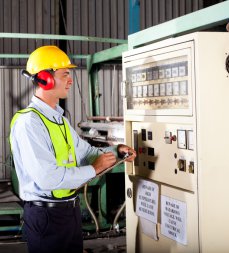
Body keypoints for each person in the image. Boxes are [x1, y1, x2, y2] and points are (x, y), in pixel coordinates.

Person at [9, 45, 136, 253]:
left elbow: (86, 152)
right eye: (65, 74)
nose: (70, 80)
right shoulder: (29, 123)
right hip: (46, 216)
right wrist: (94, 170)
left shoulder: (59, 121)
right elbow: (47, 177)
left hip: (69, 211)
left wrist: (116, 151)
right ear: (44, 79)